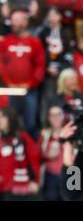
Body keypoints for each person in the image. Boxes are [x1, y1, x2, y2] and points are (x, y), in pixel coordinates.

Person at [0, 9, 45, 140]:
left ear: (25, 22)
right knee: (9, 123)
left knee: (30, 124)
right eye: (12, 21)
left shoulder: (35, 42)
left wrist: (30, 83)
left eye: (17, 21)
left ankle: (31, 153)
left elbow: (40, 66)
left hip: (29, 90)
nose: (13, 24)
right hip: (10, 90)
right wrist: (8, 81)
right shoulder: (5, 42)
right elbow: (1, 63)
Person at [37, 7, 74, 122]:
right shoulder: (43, 33)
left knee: (63, 97)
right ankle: (46, 123)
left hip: (63, 72)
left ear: (60, 17)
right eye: (50, 15)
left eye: (54, 15)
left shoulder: (66, 32)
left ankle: (64, 121)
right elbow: (39, 52)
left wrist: (61, 67)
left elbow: (70, 52)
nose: (51, 18)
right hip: (47, 73)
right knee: (47, 99)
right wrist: (47, 67)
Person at [0, 107, 40, 201]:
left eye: (2, 117)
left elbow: (33, 160)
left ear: (10, 118)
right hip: (4, 188)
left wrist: (35, 181)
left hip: (20, 188)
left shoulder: (23, 137)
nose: (0, 120)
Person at [39, 105, 65, 201]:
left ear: (63, 116)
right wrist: (47, 154)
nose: (55, 118)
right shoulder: (44, 134)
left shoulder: (70, 132)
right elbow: (38, 155)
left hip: (72, 174)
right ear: (48, 118)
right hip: (51, 175)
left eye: (58, 114)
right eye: (52, 115)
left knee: (73, 198)